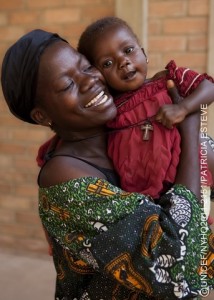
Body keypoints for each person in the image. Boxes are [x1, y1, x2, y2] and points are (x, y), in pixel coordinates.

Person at [1, 29, 214, 300]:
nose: (91, 81)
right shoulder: (65, 180)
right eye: (67, 85)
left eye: (87, 67)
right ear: (42, 115)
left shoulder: (130, 128)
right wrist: (191, 125)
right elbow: (178, 268)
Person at [77, 16, 214, 203]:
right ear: (99, 76)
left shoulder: (166, 81)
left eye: (128, 50)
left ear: (143, 53)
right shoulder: (108, 110)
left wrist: (183, 108)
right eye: (107, 63)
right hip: (144, 197)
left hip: (185, 176)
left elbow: (208, 87)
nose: (123, 62)